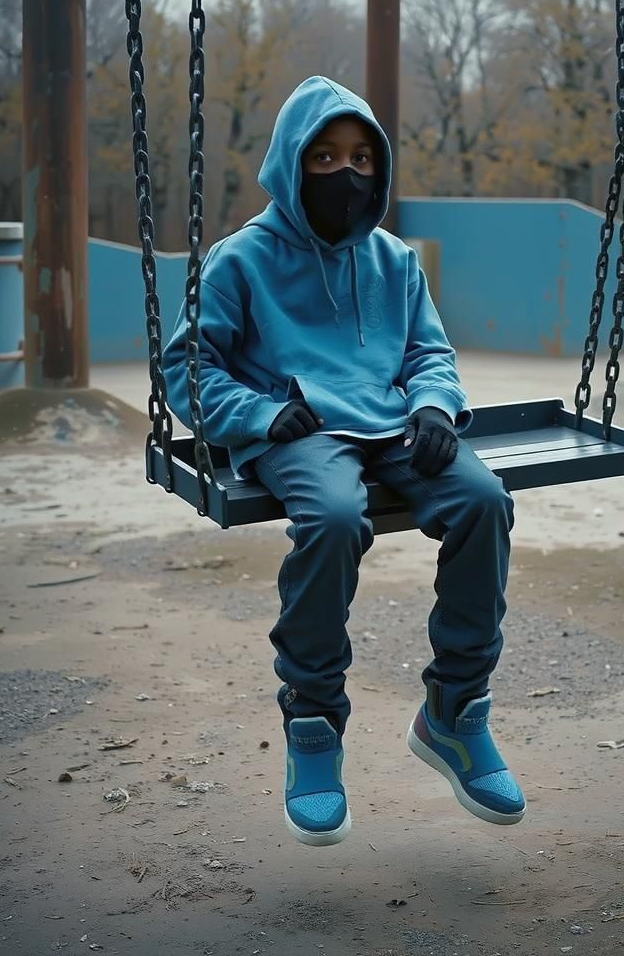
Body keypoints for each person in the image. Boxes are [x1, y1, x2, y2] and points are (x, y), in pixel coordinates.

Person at [163, 76, 524, 847]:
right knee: (331, 516)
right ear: (290, 165)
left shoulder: (394, 262)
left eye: (362, 158)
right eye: (324, 157)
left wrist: (433, 405)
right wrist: (259, 414)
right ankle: (314, 721)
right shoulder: (242, 259)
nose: (346, 174)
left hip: (395, 423)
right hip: (300, 430)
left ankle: (455, 713)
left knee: (484, 500)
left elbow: (430, 349)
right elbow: (188, 368)